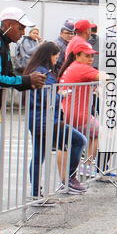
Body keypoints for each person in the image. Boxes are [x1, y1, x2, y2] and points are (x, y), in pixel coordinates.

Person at [24, 42, 87, 198]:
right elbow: (48, 97)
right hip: (46, 120)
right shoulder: (43, 72)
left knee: (39, 155)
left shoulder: (35, 70)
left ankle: (35, 192)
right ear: (49, 56)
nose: (57, 60)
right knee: (79, 140)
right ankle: (69, 179)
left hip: (38, 119)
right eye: (56, 56)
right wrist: (62, 95)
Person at [59, 39, 101, 169]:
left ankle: (69, 175)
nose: (91, 59)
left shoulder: (71, 67)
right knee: (100, 134)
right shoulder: (81, 68)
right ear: (77, 56)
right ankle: (87, 165)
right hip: (79, 116)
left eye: (92, 56)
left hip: (66, 113)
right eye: (87, 56)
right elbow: (106, 76)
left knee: (70, 143)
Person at [1, 7, 46, 97]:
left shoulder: (5, 43)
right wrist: (27, 80)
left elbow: (9, 75)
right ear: (8, 24)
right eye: (20, 28)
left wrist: (29, 82)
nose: (23, 33)